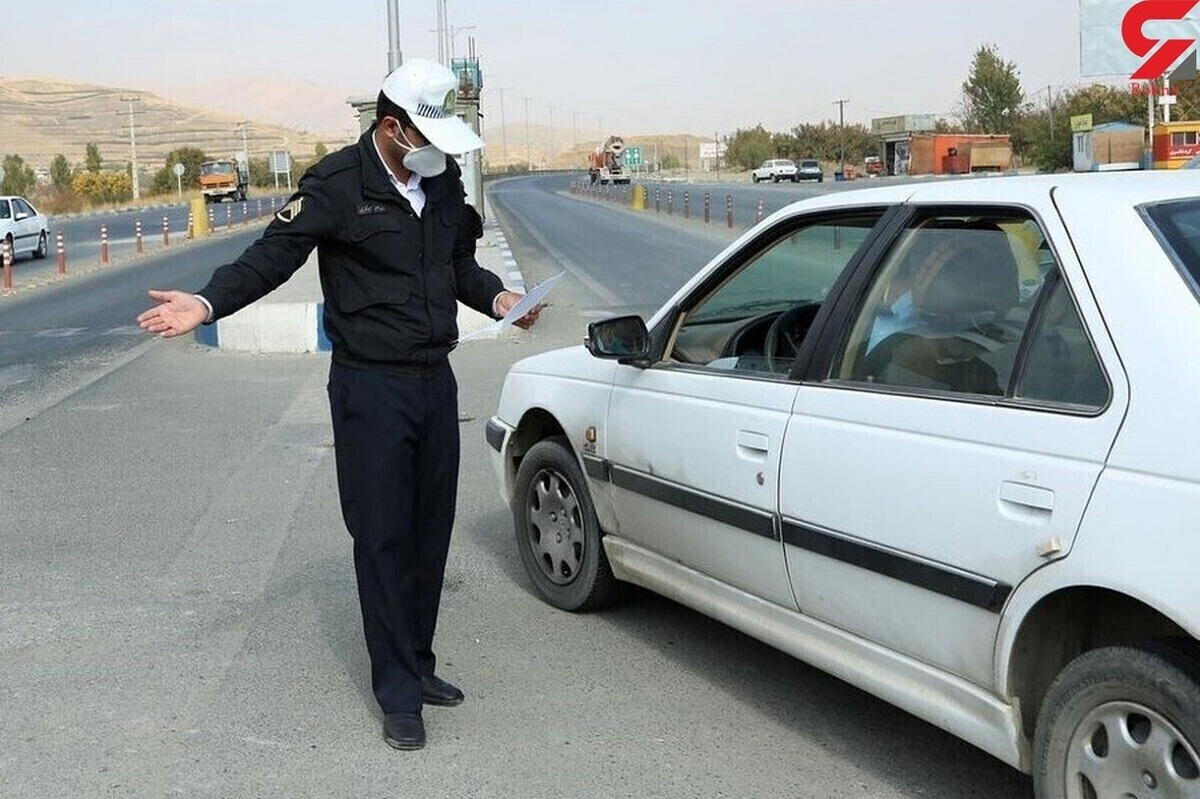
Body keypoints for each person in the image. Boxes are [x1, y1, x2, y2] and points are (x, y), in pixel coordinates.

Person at [136, 58, 539, 751]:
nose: (437, 151)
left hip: (434, 382)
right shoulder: (338, 186)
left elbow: (459, 267)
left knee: (428, 532)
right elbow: (271, 256)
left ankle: (419, 661)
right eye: (427, 135)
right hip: (370, 386)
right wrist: (206, 302)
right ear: (391, 127)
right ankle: (397, 693)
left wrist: (499, 297)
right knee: (382, 536)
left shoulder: (440, 187)